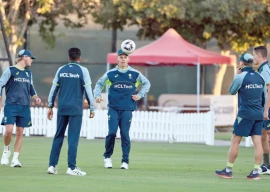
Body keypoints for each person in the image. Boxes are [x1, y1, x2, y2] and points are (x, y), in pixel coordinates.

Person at [94, 49, 151, 170]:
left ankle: (125, 161)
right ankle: (107, 157)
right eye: (121, 57)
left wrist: (140, 95)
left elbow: (147, 84)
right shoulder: (111, 74)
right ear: (117, 59)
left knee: (125, 134)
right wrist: (97, 95)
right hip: (113, 108)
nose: (123, 59)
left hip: (127, 109)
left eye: (125, 57)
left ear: (128, 59)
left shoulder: (135, 74)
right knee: (112, 133)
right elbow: (99, 84)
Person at [215, 53, 267, 180]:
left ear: (242, 63)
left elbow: (232, 91)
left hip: (245, 114)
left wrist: (236, 76)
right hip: (258, 114)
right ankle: (255, 172)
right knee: (257, 143)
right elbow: (264, 97)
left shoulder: (241, 76)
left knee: (235, 141)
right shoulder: (260, 77)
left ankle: (228, 170)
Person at [47, 48, 95, 176]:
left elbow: (53, 90)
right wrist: (92, 108)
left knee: (58, 136)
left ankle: (52, 166)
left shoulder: (61, 70)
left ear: (68, 58)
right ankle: (71, 167)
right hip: (75, 110)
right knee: (73, 139)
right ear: (80, 58)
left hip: (62, 108)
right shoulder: (83, 71)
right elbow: (89, 91)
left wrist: (50, 106)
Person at [0, 49, 41, 167]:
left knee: (20, 132)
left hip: (24, 106)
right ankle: (6, 150)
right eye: (30, 58)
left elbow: (31, 88)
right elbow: (0, 84)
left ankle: (15, 159)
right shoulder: (10, 70)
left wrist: (36, 97)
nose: (31, 61)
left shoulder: (29, 73)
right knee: (8, 131)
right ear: (24, 57)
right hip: (11, 105)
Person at [253, 46, 270, 174]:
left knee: (266, 135)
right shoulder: (262, 69)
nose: (253, 57)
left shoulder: (265, 70)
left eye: (254, 55)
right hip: (264, 108)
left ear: (259, 55)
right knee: (263, 136)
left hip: (267, 109)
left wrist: (266, 110)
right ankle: (267, 165)